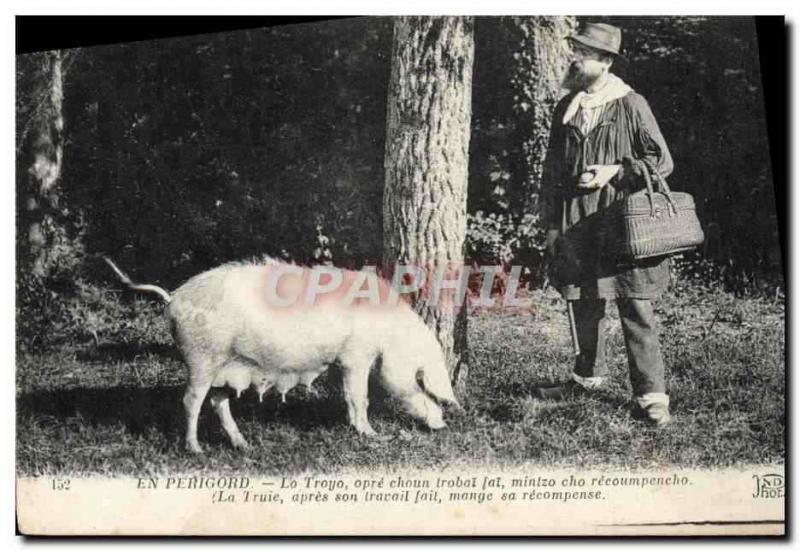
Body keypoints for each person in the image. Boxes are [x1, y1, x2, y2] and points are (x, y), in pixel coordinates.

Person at [535, 22, 674, 427]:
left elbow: (662, 161)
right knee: (582, 300)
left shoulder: (630, 103)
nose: (573, 58)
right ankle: (586, 377)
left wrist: (614, 171)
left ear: (605, 61)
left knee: (635, 303)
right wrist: (551, 225)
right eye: (574, 49)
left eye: (581, 51)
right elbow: (551, 171)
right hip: (576, 221)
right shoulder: (568, 106)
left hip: (620, 221)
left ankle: (651, 395)